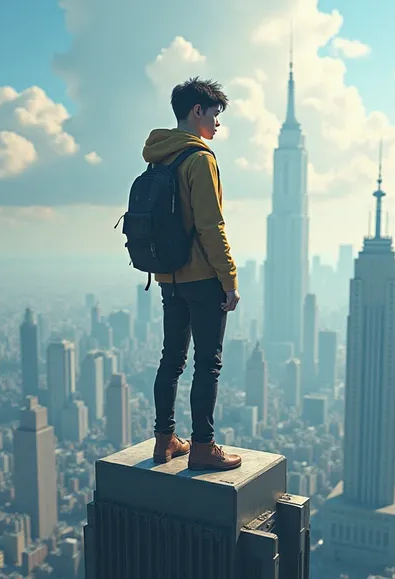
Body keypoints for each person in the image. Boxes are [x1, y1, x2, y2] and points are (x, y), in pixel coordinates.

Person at [143, 77, 242, 471]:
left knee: (171, 360)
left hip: (169, 276)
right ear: (197, 111)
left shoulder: (159, 156)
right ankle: (203, 447)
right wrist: (230, 280)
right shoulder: (199, 159)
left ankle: (164, 440)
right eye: (215, 114)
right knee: (208, 363)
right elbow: (210, 225)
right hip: (202, 277)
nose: (218, 123)